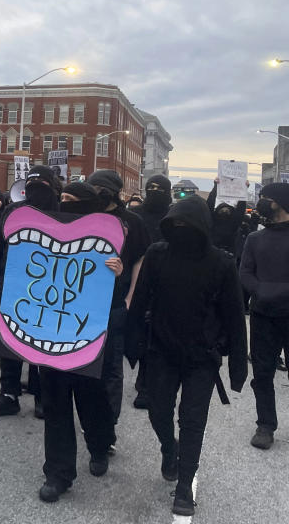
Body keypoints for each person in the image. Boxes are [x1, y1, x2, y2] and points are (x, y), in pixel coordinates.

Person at [127, 196, 247, 516]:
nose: (181, 229)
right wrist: (132, 341)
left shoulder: (221, 263)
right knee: (157, 411)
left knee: (193, 422)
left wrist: (237, 364)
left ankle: (184, 487)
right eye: (175, 224)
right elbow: (140, 300)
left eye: (187, 224)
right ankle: (170, 449)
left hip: (201, 358)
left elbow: (235, 316)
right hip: (162, 351)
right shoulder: (157, 254)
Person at [39, 182, 122, 503]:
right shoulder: (45, 231)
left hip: (90, 333)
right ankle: (58, 473)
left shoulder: (112, 236)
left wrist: (119, 273)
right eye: (62, 200)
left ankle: (100, 444)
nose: (64, 204)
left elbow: (126, 291)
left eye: (71, 201)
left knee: (92, 397)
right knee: (56, 403)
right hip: (51, 332)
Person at [0, 166, 62, 418]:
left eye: (43, 186)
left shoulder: (63, 214)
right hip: (13, 287)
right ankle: (9, 393)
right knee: (9, 342)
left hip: (47, 291)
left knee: (42, 346)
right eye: (32, 185)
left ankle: (42, 396)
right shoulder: (12, 211)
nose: (37, 191)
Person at [86, 170, 150, 438]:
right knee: (85, 366)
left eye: (99, 188)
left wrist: (129, 297)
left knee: (112, 368)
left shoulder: (132, 222)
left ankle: (107, 428)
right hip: (82, 302)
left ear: (112, 191)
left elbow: (140, 260)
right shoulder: (83, 215)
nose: (95, 193)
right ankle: (91, 420)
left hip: (114, 303)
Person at [240, 182, 289, 451]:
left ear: (279, 202)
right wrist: (261, 291)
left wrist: (271, 291)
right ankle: (265, 425)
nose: (260, 202)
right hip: (263, 316)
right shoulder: (255, 239)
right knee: (262, 373)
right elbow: (245, 272)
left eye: (265, 198)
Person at [130, 174, 173, 410]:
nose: (154, 192)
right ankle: (144, 378)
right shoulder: (137, 216)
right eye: (151, 188)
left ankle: (152, 380)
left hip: (169, 280)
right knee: (143, 331)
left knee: (161, 332)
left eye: (159, 189)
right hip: (140, 279)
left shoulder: (174, 216)